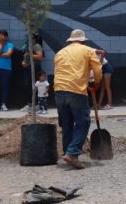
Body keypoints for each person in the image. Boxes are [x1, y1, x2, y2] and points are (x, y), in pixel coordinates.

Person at [53, 29, 102, 168]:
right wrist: (96, 82)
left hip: (58, 90)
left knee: (66, 123)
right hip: (76, 90)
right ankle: (72, 153)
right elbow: (97, 70)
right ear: (83, 40)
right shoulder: (88, 50)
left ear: (70, 40)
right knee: (83, 122)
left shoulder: (60, 53)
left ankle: (67, 151)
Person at [21, 33, 44, 111]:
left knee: (34, 86)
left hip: (35, 68)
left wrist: (30, 54)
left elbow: (40, 56)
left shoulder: (36, 46)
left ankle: (36, 104)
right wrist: (24, 63)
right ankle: (30, 104)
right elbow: (25, 60)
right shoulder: (28, 47)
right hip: (28, 68)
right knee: (28, 86)